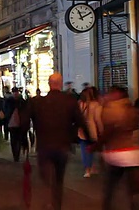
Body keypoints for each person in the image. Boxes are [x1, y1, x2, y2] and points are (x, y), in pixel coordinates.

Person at [24, 73, 91, 210]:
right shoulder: (70, 101)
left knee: (46, 178)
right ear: (60, 84)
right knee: (59, 179)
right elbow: (81, 122)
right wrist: (88, 139)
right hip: (62, 146)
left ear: (49, 84)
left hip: (44, 146)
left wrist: (24, 141)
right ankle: (56, 205)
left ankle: (48, 202)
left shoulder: (37, 102)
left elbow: (25, 121)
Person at [93, 85, 139, 210]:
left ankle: (108, 206)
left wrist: (98, 145)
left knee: (110, 186)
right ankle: (134, 206)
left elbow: (108, 131)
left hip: (117, 153)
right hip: (135, 154)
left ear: (116, 94)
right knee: (133, 188)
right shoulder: (132, 108)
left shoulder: (112, 109)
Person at [78, 86, 103, 178]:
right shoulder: (96, 105)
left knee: (85, 151)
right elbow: (98, 119)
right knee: (91, 149)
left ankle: (87, 169)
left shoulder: (80, 104)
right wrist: (101, 129)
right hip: (92, 130)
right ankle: (91, 167)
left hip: (82, 131)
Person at [5, 87, 28, 162]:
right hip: (12, 123)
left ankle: (17, 154)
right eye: (14, 92)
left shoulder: (21, 101)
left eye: (16, 92)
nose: (15, 93)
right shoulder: (9, 101)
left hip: (19, 123)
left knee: (17, 139)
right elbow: (6, 111)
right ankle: (15, 154)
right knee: (14, 139)